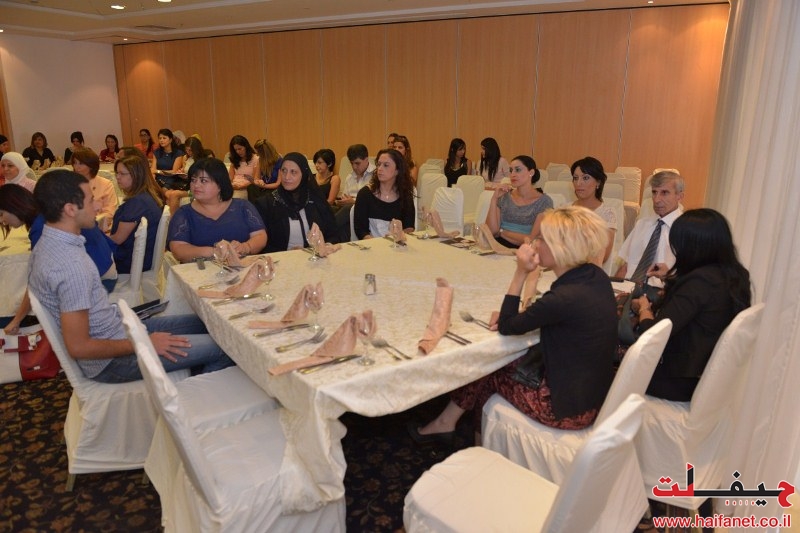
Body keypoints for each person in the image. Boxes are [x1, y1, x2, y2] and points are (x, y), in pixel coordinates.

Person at [410, 206, 616, 444]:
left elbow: (507, 326)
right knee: (497, 361)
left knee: (487, 367)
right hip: (592, 396)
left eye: (542, 239)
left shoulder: (562, 298)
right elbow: (552, 315)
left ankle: (476, 445)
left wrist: (521, 272)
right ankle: (449, 423)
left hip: (563, 409)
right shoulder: (595, 277)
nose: (536, 244)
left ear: (560, 248)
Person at [28, 169, 233, 383]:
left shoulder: (46, 244)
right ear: (70, 210)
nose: (97, 207)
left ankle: (190, 369)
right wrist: (144, 343)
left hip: (118, 331)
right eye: (90, 201)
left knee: (212, 322)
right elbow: (79, 347)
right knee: (229, 346)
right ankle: (190, 396)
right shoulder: (71, 266)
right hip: (112, 361)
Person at [633, 209, 751, 401]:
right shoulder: (736, 275)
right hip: (706, 375)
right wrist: (672, 280)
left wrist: (644, 308)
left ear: (692, 247)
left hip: (677, 380)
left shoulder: (699, 282)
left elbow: (652, 334)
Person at [1, 182, 118, 334]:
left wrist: (16, 319)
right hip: (104, 265)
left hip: (99, 280)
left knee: (34, 304)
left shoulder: (42, 227)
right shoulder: (48, 212)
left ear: (15, 206)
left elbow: (35, 283)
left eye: (1, 214)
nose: (2, 221)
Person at [167, 157, 266, 262]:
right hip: (201, 269)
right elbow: (178, 249)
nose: (196, 185)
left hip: (241, 267)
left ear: (220, 185)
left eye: (203, 181)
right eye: (193, 180)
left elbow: (260, 236)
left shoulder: (243, 206)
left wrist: (246, 247)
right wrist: (214, 252)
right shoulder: (184, 213)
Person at [254, 152, 338, 252]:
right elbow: (260, 243)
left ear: (304, 174)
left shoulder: (316, 201)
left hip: (315, 257)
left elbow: (333, 234)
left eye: (293, 172)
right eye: (284, 171)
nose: (287, 177)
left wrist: (325, 246)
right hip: (281, 259)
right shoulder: (267, 204)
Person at [615, 170, 685, 285]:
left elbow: (687, 279)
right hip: (629, 287)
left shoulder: (686, 230)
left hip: (662, 291)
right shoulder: (642, 224)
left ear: (680, 196)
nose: (656, 200)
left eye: (664, 193)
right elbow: (625, 267)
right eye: (654, 192)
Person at [109, 155, 164, 274]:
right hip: (142, 258)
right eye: (117, 173)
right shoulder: (145, 196)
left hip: (130, 262)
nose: (117, 177)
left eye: (122, 174)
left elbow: (118, 239)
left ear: (136, 175)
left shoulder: (137, 203)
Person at [486, 155, 552, 248]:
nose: (512, 174)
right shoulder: (504, 195)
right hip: (496, 247)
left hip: (524, 251)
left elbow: (532, 240)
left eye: (518, 170)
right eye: (511, 170)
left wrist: (501, 232)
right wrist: (494, 199)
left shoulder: (544, 202)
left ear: (531, 172)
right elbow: (491, 232)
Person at [353, 148, 415, 239]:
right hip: (371, 244)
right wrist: (377, 244)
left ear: (397, 170)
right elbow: (361, 230)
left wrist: (397, 237)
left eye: (386, 165)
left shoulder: (405, 195)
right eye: (379, 164)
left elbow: (409, 227)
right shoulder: (365, 194)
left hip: (397, 243)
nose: (380, 169)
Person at [569, 156, 616, 263]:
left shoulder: (607, 214)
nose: (578, 183)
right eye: (575, 178)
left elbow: (604, 256)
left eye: (585, 178)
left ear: (598, 182)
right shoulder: (564, 209)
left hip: (589, 269)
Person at [334, 144, 375, 241]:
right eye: (351, 163)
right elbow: (345, 196)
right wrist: (341, 201)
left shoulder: (376, 175)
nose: (354, 167)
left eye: (357, 163)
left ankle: (325, 230)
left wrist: (354, 202)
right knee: (329, 209)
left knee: (349, 208)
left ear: (366, 159)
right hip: (348, 213)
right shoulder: (350, 177)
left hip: (365, 210)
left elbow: (374, 200)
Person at [71, 147, 118, 226]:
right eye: (75, 163)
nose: (77, 167)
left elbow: (110, 212)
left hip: (96, 225)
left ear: (91, 165)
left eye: (81, 163)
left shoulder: (105, 184)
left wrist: (90, 221)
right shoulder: (68, 183)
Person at [164, 136, 212, 214]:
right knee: (167, 193)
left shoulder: (204, 160)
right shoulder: (186, 158)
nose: (188, 152)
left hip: (198, 187)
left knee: (174, 195)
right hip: (186, 184)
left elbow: (206, 176)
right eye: (186, 150)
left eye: (190, 150)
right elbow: (185, 170)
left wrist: (189, 176)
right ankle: (179, 216)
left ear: (196, 149)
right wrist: (181, 171)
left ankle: (175, 219)